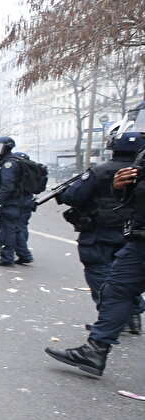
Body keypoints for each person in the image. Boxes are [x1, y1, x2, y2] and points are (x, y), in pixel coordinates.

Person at [46, 161, 145, 377]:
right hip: (138, 238)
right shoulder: (139, 159)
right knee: (117, 289)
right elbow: (131, 198)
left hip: (118, 235)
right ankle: (95, 350)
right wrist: (119, 188)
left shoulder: (100, 170)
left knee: (112, 283)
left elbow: (74, 196)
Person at [55, 130, 144, 333]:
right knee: (127, 275)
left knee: (101, 274)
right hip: (133, 231)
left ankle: (110, 322)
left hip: (100, 230)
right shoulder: (140, 170)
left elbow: (75, 196)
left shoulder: (100, 170)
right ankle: (134, 314)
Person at [0, 137, 34, 267]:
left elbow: (7, 186)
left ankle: (7, 257)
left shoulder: (9, 164)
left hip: (13, 202)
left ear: (6, 147)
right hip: (23, 200)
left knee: (9, 230)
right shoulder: (16, 161)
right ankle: (25, 255)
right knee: (18, 228)